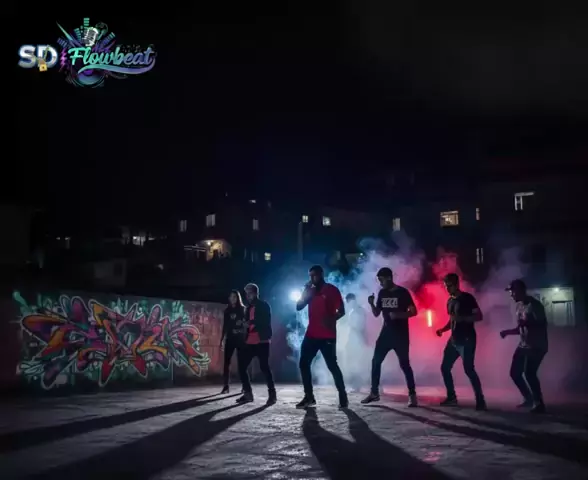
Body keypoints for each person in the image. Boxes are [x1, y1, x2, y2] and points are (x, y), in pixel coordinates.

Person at [361, 267, 419, 407]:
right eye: (379, 280)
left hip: (400, 335)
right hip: (386, 334)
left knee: (404, 365)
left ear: (389, 278)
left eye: (381, 280)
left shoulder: (402, 292)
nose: (380, 283)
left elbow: (414, 311)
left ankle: (412, 395)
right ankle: (374, 393)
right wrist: (371, 303)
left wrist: (399, 315)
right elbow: (377, 313)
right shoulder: (382, 293)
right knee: (376, 362)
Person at [295, 265, 348, 409]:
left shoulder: (331, 290)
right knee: (304, 363)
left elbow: (342, 311)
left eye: (315, 275)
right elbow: (298, 307)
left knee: (332, 365)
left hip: (327, 335)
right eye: (310, 275)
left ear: (321, 275)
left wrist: (331, 319)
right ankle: (309, 397)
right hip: (311, 333)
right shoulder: (310, 291)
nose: (312, 278)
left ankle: (343, 396)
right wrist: (305, 292)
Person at [436, 273, 487, 410]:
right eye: (446, 286)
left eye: (449, 286)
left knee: (469, 369)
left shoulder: (467, 298)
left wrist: (464, 319)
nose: (447, 289)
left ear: (456, 284)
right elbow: (452, 320)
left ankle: (480, 400)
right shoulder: (449, 301)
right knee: (445, 367)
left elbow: (479, 316)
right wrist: (443, 329)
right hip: (453, 340)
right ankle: (451, 397)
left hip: (467, 340)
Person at [500, 279, 548, 413]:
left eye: (512, 292)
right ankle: (528, 398)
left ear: (520, 291)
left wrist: (527, 323)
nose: (511, 295)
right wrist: (507, 332)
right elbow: (521, 328)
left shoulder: (535, 305)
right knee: (514, 373)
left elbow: (542, 324)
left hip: (537, 345)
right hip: (524, 345)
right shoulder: (519, 306)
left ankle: (539, 403)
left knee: (529, 373)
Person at [235, 283, 277, 405]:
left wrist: (250, 322)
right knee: (242, 367)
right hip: (250, 341)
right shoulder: (248, 308)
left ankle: (272, 395)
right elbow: (248, 323)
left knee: (264, 367)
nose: (248, 296)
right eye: (246, 293)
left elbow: (265, 321)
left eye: (250, 293)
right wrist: (244, 324)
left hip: (262, 341)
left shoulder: (264, 305)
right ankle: (248, 393)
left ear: (255, 293)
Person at [338, 293, 368, 392]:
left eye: (348, 301)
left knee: (358, 364)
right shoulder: (352, 311)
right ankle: (356, 385)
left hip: (357, 340)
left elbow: (360, 326)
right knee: (353, 364)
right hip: (353, 340)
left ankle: (359, 385)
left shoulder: (359, 311)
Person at [220, 289, 247, 394]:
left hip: (240, 339)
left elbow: (246, 325)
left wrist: (241, 331)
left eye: (235, 296)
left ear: (238, 298)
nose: (233, 298)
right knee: (226, 363)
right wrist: (222, 339)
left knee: (242, 363)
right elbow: (225, 326)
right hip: (230, 339)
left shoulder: (243, 309)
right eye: (231, 296)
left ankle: (245, 386)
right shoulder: (227, 311)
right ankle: (226, 386)